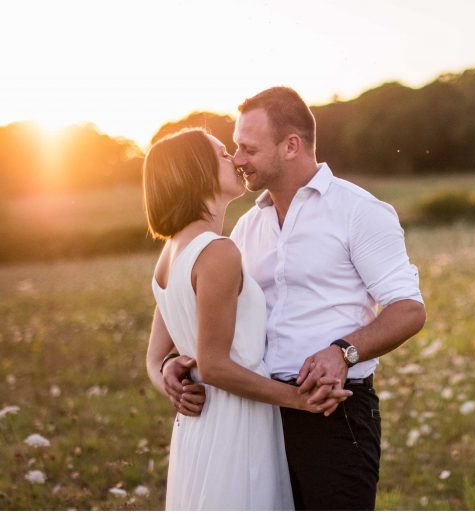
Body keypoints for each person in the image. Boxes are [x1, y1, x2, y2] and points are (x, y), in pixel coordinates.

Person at [163, 87, 426, 510]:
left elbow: (409, 310)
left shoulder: (359, 210)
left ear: (291, 146)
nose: (238, 159)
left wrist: (343, 352)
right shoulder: (246, 227)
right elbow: (225, 317)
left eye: (248, 148)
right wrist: (173, 362)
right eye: (235, 148)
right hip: (257, 414)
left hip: (330, 410)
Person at [143, 128, 352, 510]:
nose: (236, 160)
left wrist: (168, 380)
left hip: (200, 425)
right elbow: (216, 366)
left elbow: (156, 360)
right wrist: (301, 401)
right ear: (197, 173)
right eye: (223, 154)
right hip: (236, 424)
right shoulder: (217, 252)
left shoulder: (170, 254)